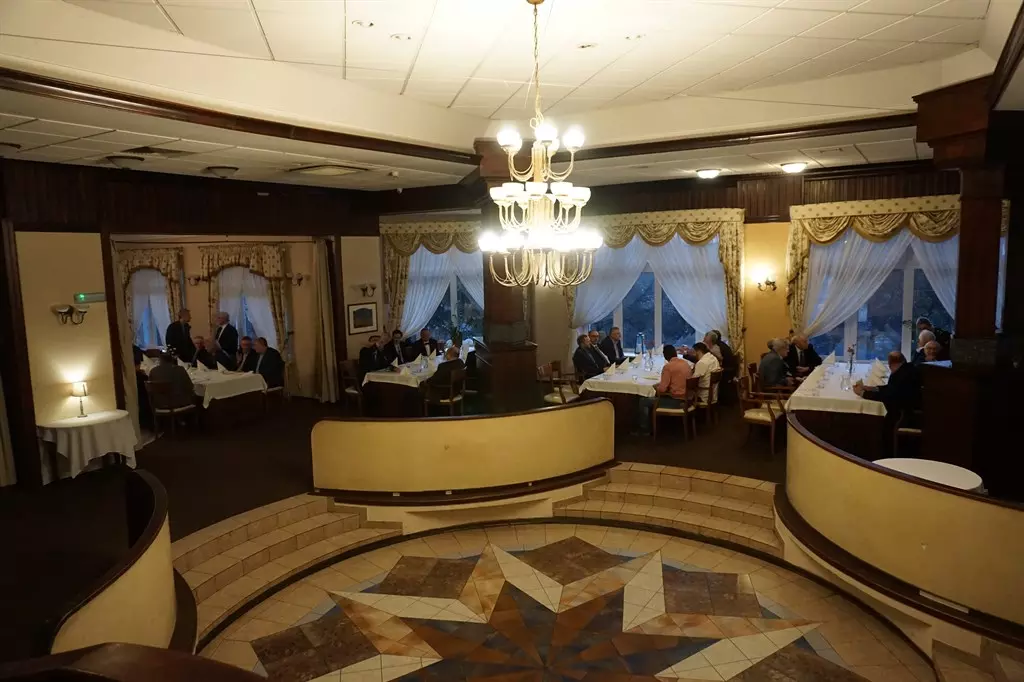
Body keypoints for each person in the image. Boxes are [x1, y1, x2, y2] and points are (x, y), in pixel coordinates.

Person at [854, 351, 921, 415]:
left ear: (891, 365)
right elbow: (890, 388)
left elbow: (888, 396)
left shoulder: (901, 375)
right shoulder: (908, 369)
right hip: (907, 408)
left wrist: (863, 393)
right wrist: (873, 388)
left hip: (901, 413)